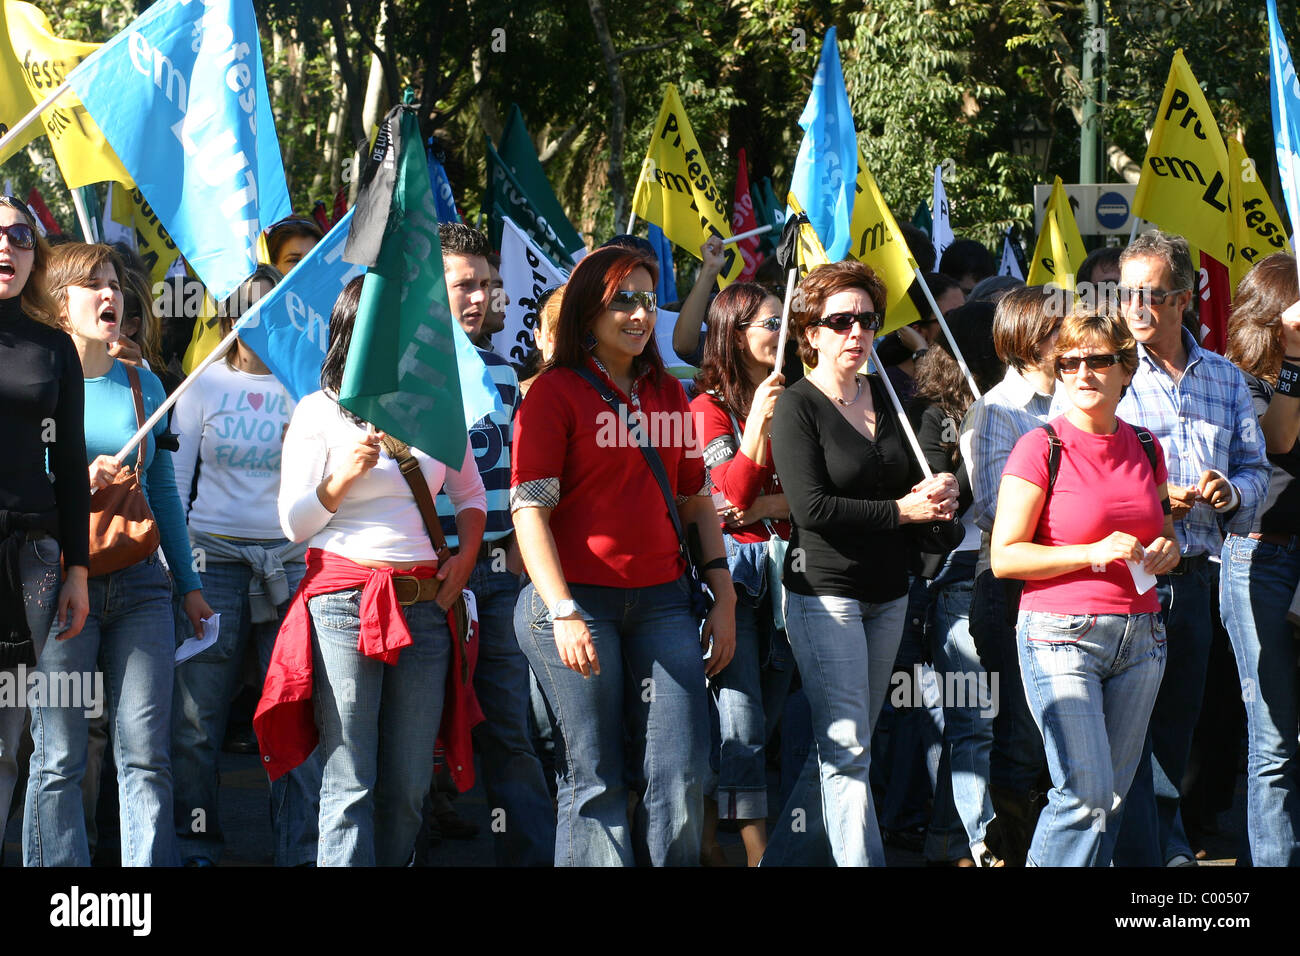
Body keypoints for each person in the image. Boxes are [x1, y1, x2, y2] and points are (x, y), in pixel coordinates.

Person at [511, 244, 736, 866]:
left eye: (647, 299)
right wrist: (561, 609)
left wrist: (726, 596)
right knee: (595, 779)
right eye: (623, 301)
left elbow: (696, 502)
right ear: (588, 310)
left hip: (666, 602)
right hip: (576, 604)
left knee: (683, 771)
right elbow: (529, 511)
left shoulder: (668, 394)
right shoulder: (552, 394)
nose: (641, 314)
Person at [269, 276, 487, 866]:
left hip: (426, 603)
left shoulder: (440, 405)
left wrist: (464, 561)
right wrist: (339, 479)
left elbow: (472, 495)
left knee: (409, 786)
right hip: (342, 603)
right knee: (349, 781)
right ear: (353, 333)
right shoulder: (318, 412)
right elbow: (293, 523)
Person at [25, 242, 212, 867]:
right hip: (56, 585)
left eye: (115, 283)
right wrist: (77, 479)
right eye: (92, 285)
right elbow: (22, 479)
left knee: (146, 755)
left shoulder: (144, 382)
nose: (110, 294)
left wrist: (187, 584)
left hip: (140, 587)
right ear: (58, 305)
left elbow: (161, 491)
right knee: (58, 759)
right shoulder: (35, 382)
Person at [766, 260, 957, 866]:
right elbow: (812, 507)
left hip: (889, 591)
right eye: (841, 321)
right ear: (810, 333)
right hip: (824, 593)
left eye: (868, 321)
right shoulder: (796, 404)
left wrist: (945, 488)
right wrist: (903, 513)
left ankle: (785, 860)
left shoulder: (895, 394)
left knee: (847, 745)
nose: (857, 333)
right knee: (848, 749)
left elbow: (922, 476)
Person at [990, 308, 1177, 866]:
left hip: (1142, 636)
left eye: (1097, 360)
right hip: (1059, 635)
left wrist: (1167, 551)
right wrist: (1090, 554)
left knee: (1110, 801)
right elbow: (1004, 556)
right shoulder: (1038, 446)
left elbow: (1164, 531)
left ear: (1125, 368)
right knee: (1084, 794)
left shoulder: (1145, 444)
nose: (1082, 373)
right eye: (1068, 362)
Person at [1109, 231, 1269, 867]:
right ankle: (1139, 849)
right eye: (1126, 295)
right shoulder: (1108, 372)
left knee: (1178, 724)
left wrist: (1227, 492)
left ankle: (1161, 847)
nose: (1135, 308)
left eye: (1149, 294)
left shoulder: (1227, 379)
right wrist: (1152, 495)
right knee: (1125, 727)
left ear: (1182, 300)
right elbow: (1083, 462)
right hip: (1125, 576)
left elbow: (1257, 472)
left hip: (1200, 575)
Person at [169, 264, 323, 867]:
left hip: (290, 564)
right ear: (229, 318)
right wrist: (184, 575)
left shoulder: (307, 386)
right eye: (248, 309)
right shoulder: (201, 386)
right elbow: (175, 484)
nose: (259, 319)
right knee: (197, 719)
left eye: (274, 306)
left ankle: (302, 853)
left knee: (293, 711)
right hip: (215, 564)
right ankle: (194, 847)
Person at [432, 222, 554, 865]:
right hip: (419, 575)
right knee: (411, 733)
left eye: (488, 285)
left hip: (500, 577)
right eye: (463, 285)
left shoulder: (505, 378)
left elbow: (515, 485)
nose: (480, 297)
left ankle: (529, 854)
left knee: (512, 728)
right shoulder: (399, 378)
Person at [690, 281, 794, 866]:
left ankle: (708, 839)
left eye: (784, 323)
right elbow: (727, 498)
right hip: (732, 579)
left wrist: (769, 506)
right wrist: (756, 421)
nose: (783, 335)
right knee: (742, 720)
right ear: (734, 334)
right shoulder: (705, 409)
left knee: (767, 714)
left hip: (792, 576)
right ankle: (758, 852)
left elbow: (817, 496)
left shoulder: (801, 400)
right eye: (769, 325)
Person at [961, 284, 1065, 865]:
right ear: (1026, 340)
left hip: (1076, 586)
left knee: (1064, 737)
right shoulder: (997, 410)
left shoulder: (1088, 404)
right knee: (1022, 735)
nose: (1069, 340)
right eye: (1056, 330)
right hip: (1009, 589)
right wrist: (1081, 515)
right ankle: (1010, 850)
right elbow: (997, 508)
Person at [0, 196, 89, 829]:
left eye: (22, 236)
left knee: (11, 735)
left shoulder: (55, 347)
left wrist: (78, 570)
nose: (8, 246)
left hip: (33, 556)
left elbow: (72, 464)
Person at [907, 305, 1006, 865]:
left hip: (1011, 571)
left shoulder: (1026, 403)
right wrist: (977, 445)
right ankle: (974, 845)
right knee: (971, 723)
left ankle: (949, 843)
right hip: (958, 576)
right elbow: (944, 504)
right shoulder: (932, 412)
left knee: (981, 724)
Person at [1220, 252, 1300, 866]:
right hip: (1261, 560)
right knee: (1274, 740)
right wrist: (1295, 361)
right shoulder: (1238, 378)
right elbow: (1279, 439)